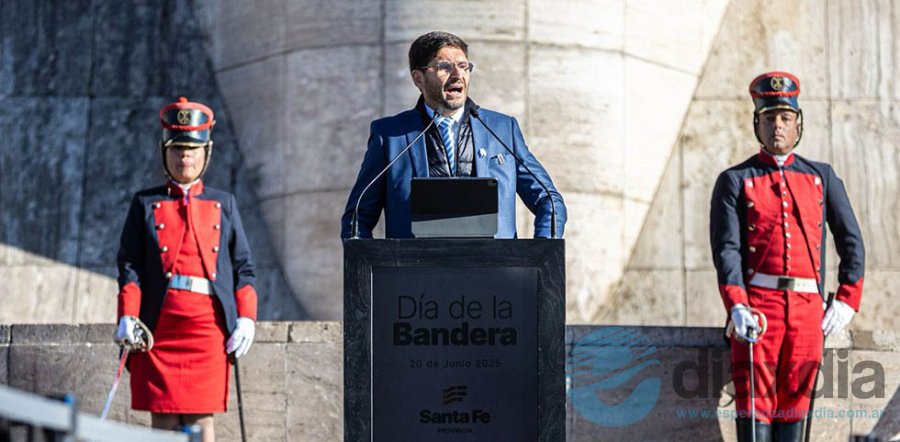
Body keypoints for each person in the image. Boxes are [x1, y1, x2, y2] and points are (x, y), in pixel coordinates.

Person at [709, 72, 865, 441]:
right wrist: (736, 306)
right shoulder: (735, 180)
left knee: (796, 409)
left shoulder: (821, 177)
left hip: (809, 311)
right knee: (755, 406)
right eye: (769, 119)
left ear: (798, 124)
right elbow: (726, 250)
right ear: (756, 124)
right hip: (759, 310)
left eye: (785, 118)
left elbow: (852, 242)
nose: (777, 127)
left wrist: (846, 300)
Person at [114, 97, 258, 441]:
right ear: (165, 152)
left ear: (205, 153)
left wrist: (247, 318)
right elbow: (129, 266)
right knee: (162, 424)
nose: (184, 158)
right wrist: (127, 315)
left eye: (192, 150)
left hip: (206, 330)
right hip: (157, 329)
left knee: (202, 423)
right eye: (177, 149)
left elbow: (244, 268)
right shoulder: (144, 203)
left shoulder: (224, 204)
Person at [340, 31, 566, 239]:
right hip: (415, 276)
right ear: (418, 79)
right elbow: (358, 217)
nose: (458, 75)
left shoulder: (502, 130)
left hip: (495, 274)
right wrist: (371, 272)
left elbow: (549, 200)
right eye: (444, 67)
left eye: (463, 66)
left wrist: (541, 255)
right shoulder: (390, 135)